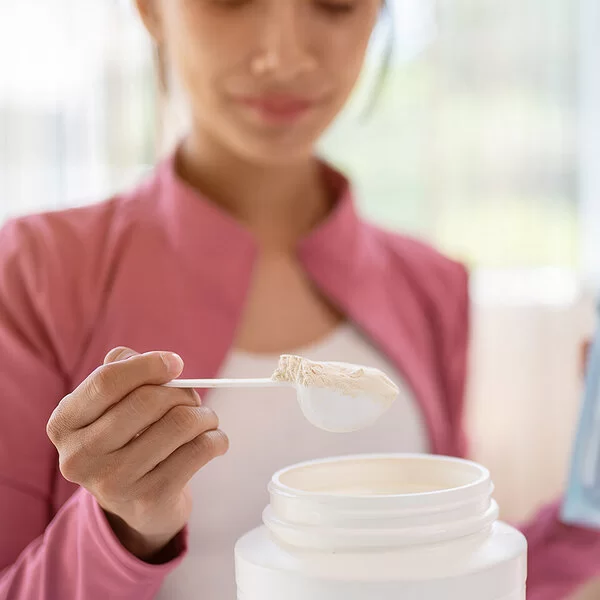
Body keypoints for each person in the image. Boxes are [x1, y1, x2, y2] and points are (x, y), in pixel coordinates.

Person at [0, 1, 599, 598]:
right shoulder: (34, 273)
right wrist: (120, 532)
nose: (284, 57)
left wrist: (591, 496)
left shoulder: (432, 285)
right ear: (150, 11)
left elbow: (452, 574)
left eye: (335, 3)